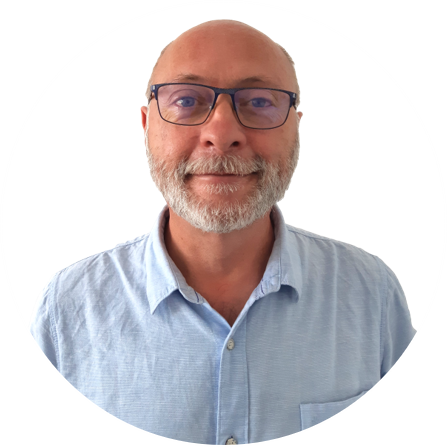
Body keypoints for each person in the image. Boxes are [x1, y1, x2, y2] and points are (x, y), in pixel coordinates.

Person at [29, 19, 416, 445]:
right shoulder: (69, 307)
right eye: (187, 100)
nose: (221, 134)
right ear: (146, 126)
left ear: (297, 128)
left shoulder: (372, 293)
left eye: (259, 102)